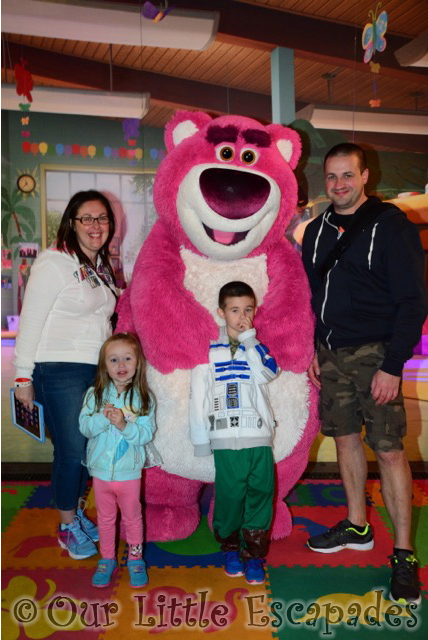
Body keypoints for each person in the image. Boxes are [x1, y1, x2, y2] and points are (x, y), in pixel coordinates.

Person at [301, 143, 427, 605]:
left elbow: (414, 301)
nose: (338, 185)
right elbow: (309, 297)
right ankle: (357, 526)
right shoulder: (315, 231)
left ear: (365, 176)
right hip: (329, 355)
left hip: (377, 356)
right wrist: (311, 346)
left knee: (390, 451)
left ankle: (404, 553)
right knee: (346, 440)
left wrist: (393, 365)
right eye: (331, 177)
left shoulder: (392, 226)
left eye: (347, 176)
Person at [14, 190, 117, 559]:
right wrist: (22, 378)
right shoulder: (54, 261)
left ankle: (74, 515)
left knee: (89, 449)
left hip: (95, 371)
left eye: (102, 218)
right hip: (57, 369)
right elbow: (31, 321)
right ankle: (67, 525)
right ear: (71, 223)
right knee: (72, 450)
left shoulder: (98, 268)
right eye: (86, 218)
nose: (95, 226)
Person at [189, 281, 279, 585]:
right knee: (229, 496)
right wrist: (201, 439)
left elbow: (269, 372)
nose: (242, 315)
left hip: (259, 438)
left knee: (261, 494)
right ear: (221, 312)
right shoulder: (208, 353)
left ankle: (254, 554)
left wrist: (250, 340)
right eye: (235, 310)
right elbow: (197, 396)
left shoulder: (255, 347)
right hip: (225, 439)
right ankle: (230, 548)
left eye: (248, 309)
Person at [79, 332, 156, 588]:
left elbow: (145, 434)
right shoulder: (95, 395)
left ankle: (136, 560)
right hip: (101, 472)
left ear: (137, 362)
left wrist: (123, 424)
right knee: (106, 518)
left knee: (133, 518)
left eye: (127, 358)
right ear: (105, 366)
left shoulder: (144, 398)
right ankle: (108, 558)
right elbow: (85, 427)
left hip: (129, 473)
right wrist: (103, 418)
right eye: (114, 360)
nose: (121, 365)